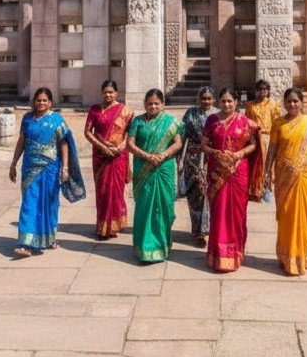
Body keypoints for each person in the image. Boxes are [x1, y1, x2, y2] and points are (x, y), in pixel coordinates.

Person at [9, 87, 85, 257]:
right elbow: (22, 141)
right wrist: (13, 163)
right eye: (38, 100)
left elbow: (64, 144)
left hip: (50, 169)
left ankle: (48, 239)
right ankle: (25, 243)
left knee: (49, 205)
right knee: (29, 203)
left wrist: (65, 168)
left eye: (44, 100)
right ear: (34, 101)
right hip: (29, 169)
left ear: (50, 102)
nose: (41, 103)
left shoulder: (56, 120)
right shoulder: (27, 119)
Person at [267, 87, 307, 276]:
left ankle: (303, 256)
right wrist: (266, 172)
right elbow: (272, 149)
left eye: (296, 101)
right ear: (284, 103)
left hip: (306, 175)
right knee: (286, 214)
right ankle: (287, 256)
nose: (292, 104)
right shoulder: (278, 123)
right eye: (289, 101)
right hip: (284, 177)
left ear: (302, 103)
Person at [201, 86, 258, 271]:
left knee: (237, 212)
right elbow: (203, 145)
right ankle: (217, 255)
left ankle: (236, 254)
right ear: (218, 102)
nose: (226, 104)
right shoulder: (212, 120)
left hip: (238, 171)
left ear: (236, 103)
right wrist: (215, 153)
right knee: (218, 212)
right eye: (223, 101)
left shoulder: (244, 122)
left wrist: (240, 153)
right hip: (217, 171)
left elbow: (254, 145)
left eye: (229, 101)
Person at [126, 88, 184, 263]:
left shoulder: (171, 122)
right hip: (144, 166)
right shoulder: (137, 121)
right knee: (144, 207)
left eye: (156, 103)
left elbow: (178, 143)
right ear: (145, 104)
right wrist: (147, 156)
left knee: (164, 206)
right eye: (150, 103)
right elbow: (130, 144)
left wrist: (163, 155)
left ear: (163, 105)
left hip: (163, 168)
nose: (153, 106)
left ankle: (162, 245)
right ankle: (145, 247)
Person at [84, 79, 135, 240]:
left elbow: (129, 132)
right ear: (101, 92)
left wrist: (121, 146)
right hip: (100, 156)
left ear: (116, 93)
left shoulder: (124, 111)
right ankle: (103, 227)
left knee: (116, 190)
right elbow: (87, 132)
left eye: (111, 92)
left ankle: (114, 224)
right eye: (105, 92)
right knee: (103, 191)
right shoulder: (95, 109)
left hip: (118, 156)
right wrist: (102, 147)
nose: (108, 94)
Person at [178, 86, 218, 247]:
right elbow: (183, 135)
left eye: (209, 98)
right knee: (195, 194)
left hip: (212, 158)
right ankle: (197, 229)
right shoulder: (190, 113)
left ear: (214, 99)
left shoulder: (217, 115)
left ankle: (207, 230)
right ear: (198, 99)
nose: (206, 101)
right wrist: (179, 158)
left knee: (208, 193)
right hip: (192, 158)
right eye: (203, 98)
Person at [245, 79, 281, 201]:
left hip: (267, 137)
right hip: (255, 137)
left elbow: (276, 122)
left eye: (265, 89)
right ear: (256, 91)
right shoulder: (251, 105)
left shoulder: (273, 105)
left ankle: (267, 188)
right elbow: (247, 122)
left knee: (267, 164)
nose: (262, 92)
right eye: (260, 89)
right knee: (255, 163)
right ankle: (255, 189)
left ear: (268, 91)